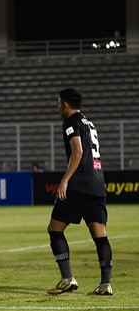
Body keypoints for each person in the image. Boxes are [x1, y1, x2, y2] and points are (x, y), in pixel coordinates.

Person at [47, 88, 113, 296]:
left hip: (79, 184)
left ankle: (67, 279)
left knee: (55, 229)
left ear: (66, 105)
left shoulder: (70, 122)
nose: (58, 107)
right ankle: (105, 284)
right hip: (96, 182)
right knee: (99, 234)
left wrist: (65, 181)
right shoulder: (89, 123)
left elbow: (78, 151)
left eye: (59, 103)